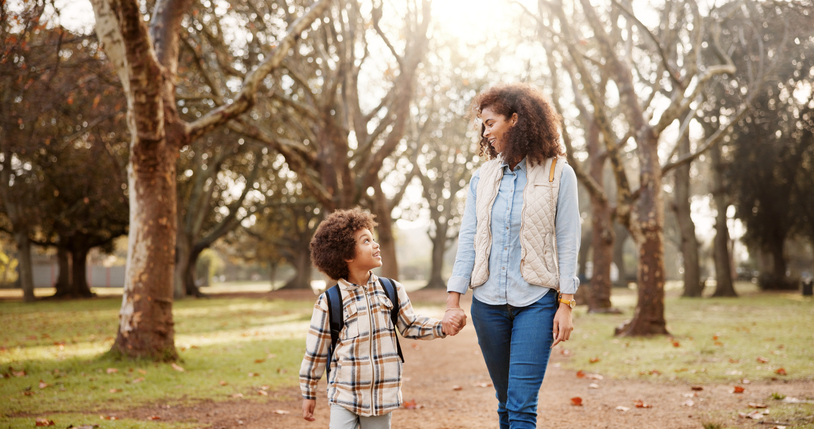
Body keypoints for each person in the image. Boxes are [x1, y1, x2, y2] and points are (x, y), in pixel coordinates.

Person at [442, 83, 581, 429]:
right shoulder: (482, 177)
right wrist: (453, 300)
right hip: (487, 304)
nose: (485, 132)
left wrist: (566, 303)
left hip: (536, 302)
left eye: (490, 123)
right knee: (505, 402)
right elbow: (469, 239)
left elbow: (567, 240)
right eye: (483, 125)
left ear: (515, 120)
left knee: (521, 406)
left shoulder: (558, 173)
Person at [300, 208, 465, 429]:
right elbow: (316, 351)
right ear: (347, 254)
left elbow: (411, 325)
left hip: (381, 396)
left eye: (373, 238)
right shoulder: (330, 301)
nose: (376, 245)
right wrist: (309, 392)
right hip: (344, 394)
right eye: (366, 241)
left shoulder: (392, 290)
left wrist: (442, 326)